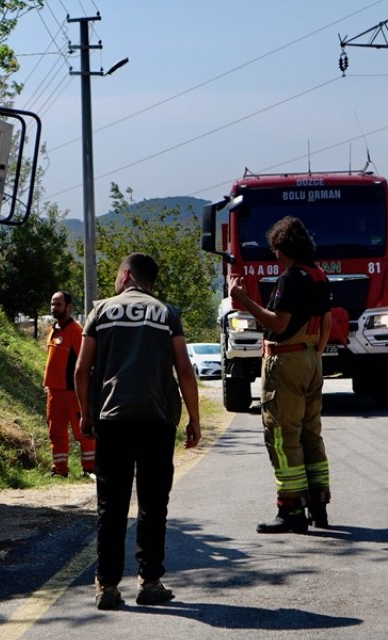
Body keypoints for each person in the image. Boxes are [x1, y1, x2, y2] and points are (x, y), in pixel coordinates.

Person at [74, 253, 203, 610]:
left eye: (118, 275)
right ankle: (150, 582)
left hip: (112, 420)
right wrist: (194, 419)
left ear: (127, 275)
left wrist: (87, 414)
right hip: (157, 421)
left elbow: (82, 369)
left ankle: (108, 587)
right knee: (152, 504)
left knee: (111, 505)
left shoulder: (100, 311)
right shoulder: (167, 313)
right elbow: (185, 370)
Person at [228, 216, 333, 534]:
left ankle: (290, 510)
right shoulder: (319, 275)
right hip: (312, 359)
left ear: (280, 247)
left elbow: (278, 323)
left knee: (282, 434)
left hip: (286, 361)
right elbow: (326, 323)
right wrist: (313, 354)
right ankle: (318, 505)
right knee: (310, 434)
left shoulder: (290, 279)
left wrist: (243, 300)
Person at [44, 291, 94, 478]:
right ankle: (60, 470)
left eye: (58, 304)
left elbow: (85, 362)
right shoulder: (52, 329)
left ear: (69, 307)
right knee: (56, 433)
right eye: (52, 304)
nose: (53, 308)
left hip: (73, 393)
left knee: (83, 433)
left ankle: (90, 468)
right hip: (53, 393)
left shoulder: (77, 331)